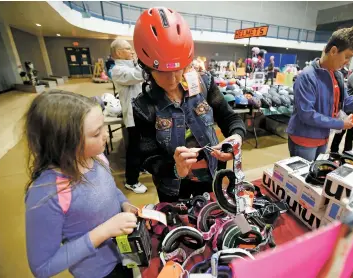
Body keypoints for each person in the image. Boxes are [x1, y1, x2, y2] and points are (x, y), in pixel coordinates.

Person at [131, 7, 246, 202]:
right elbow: (147, 157)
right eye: (162, 72)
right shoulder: (144, 106)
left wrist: (235, 138)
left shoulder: (203, 84)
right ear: (147, 68)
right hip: (174, 189)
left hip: (212, 177)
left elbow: (229, 118)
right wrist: (174, 168)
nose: (172, 79)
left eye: (179, 69)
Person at [25, 90, 138, 278]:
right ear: (65, 144)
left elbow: (111, 190)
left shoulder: (98, 158)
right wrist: (104, 231)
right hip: (97, 273)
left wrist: (124, 204)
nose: (105, 136)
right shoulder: (46, 194)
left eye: (103, 127)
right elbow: (42, 266)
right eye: (96, 133)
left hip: (125, 256)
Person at [286, 26, 353, 161]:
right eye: (347, 56)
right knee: (302, 177)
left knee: (315, 172)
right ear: (333, 51)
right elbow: (307, 114)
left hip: (323, 136)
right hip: (304, 139)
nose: (347, 62)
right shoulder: (307, 76)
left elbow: (346, 101)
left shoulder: (337, 75)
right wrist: (340, 124)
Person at [110, 39, 148, 194]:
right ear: (118, 53)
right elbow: (137, 75)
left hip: (143, 112)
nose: (132, 51)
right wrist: (145, 60)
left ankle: (141, 167)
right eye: (128, 49)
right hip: (133, 116)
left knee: (144, 144)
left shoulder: (131, 65)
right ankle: (131, 181)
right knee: (134, 148)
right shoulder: (118, 70)